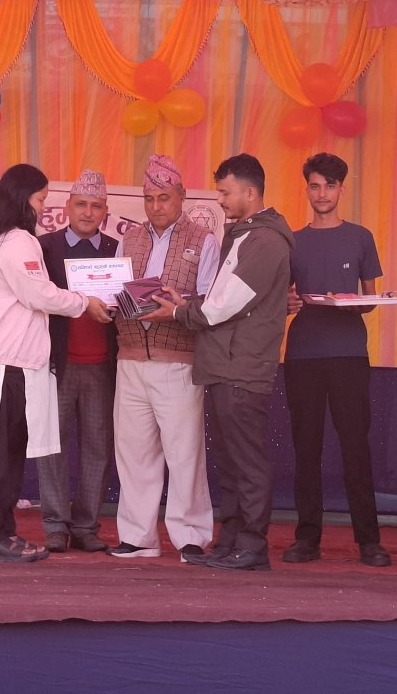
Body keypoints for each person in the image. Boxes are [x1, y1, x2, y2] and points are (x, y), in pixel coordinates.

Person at [0, 164, 112, 563]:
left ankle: (0, 535)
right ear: (21, 198)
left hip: (4, 363)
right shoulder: (18, 241)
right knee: (0, 456)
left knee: (3, 454)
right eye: (41, 199)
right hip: (6, 366)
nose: (44, 208)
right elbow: (38, 294)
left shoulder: (1, 238)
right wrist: (84, 302)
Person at [151, 153, 293, 571]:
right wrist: (186, 301)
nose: (220, 200)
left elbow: (224, 306)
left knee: (246, 461)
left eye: (225, 192)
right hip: (225, 364)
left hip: (242, 366)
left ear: (250, 192)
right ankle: (231, 540)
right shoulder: (245, 235)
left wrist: (179, 312)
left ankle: (252, 546)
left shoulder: (265, 241)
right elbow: (219, 300)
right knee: (231, 462)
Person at [282, 152, 391, 568]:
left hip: (349, 353)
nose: (322, 193)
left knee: (355, 447)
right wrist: (288, 303)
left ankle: (370, 541)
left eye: (329, 185)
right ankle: (307, 539)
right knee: (306, 449)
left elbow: (371, 299)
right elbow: (283, 298)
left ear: (342, 189)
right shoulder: (292, 241)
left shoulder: (360, 237)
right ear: (306, 189)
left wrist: (355, 303)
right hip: (303, 355)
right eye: (315, 185)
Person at [109, 153, 220, 561]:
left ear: (182, 195)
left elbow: (212, 302)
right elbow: (117, 291)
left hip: (178, 360)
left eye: (164, 197)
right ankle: (138, 536)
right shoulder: (129, 239)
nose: (156, 206)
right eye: (149, 198)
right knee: (134, 452)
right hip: (131, 358)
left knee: (184, 452)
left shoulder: (204, 240)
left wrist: (177, 307)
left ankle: (191, 536)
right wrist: (104, 302)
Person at [36, 169, 118, 553]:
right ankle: (55, 525)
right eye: (81, 204)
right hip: (57, 363)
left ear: (106, 211)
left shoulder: (118, 249)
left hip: (103, 364)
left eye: (96, 206)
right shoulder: (44, 247)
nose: (88, 212)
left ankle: (86, 526)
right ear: (67, 207)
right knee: (52, 445)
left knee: (98, 447)